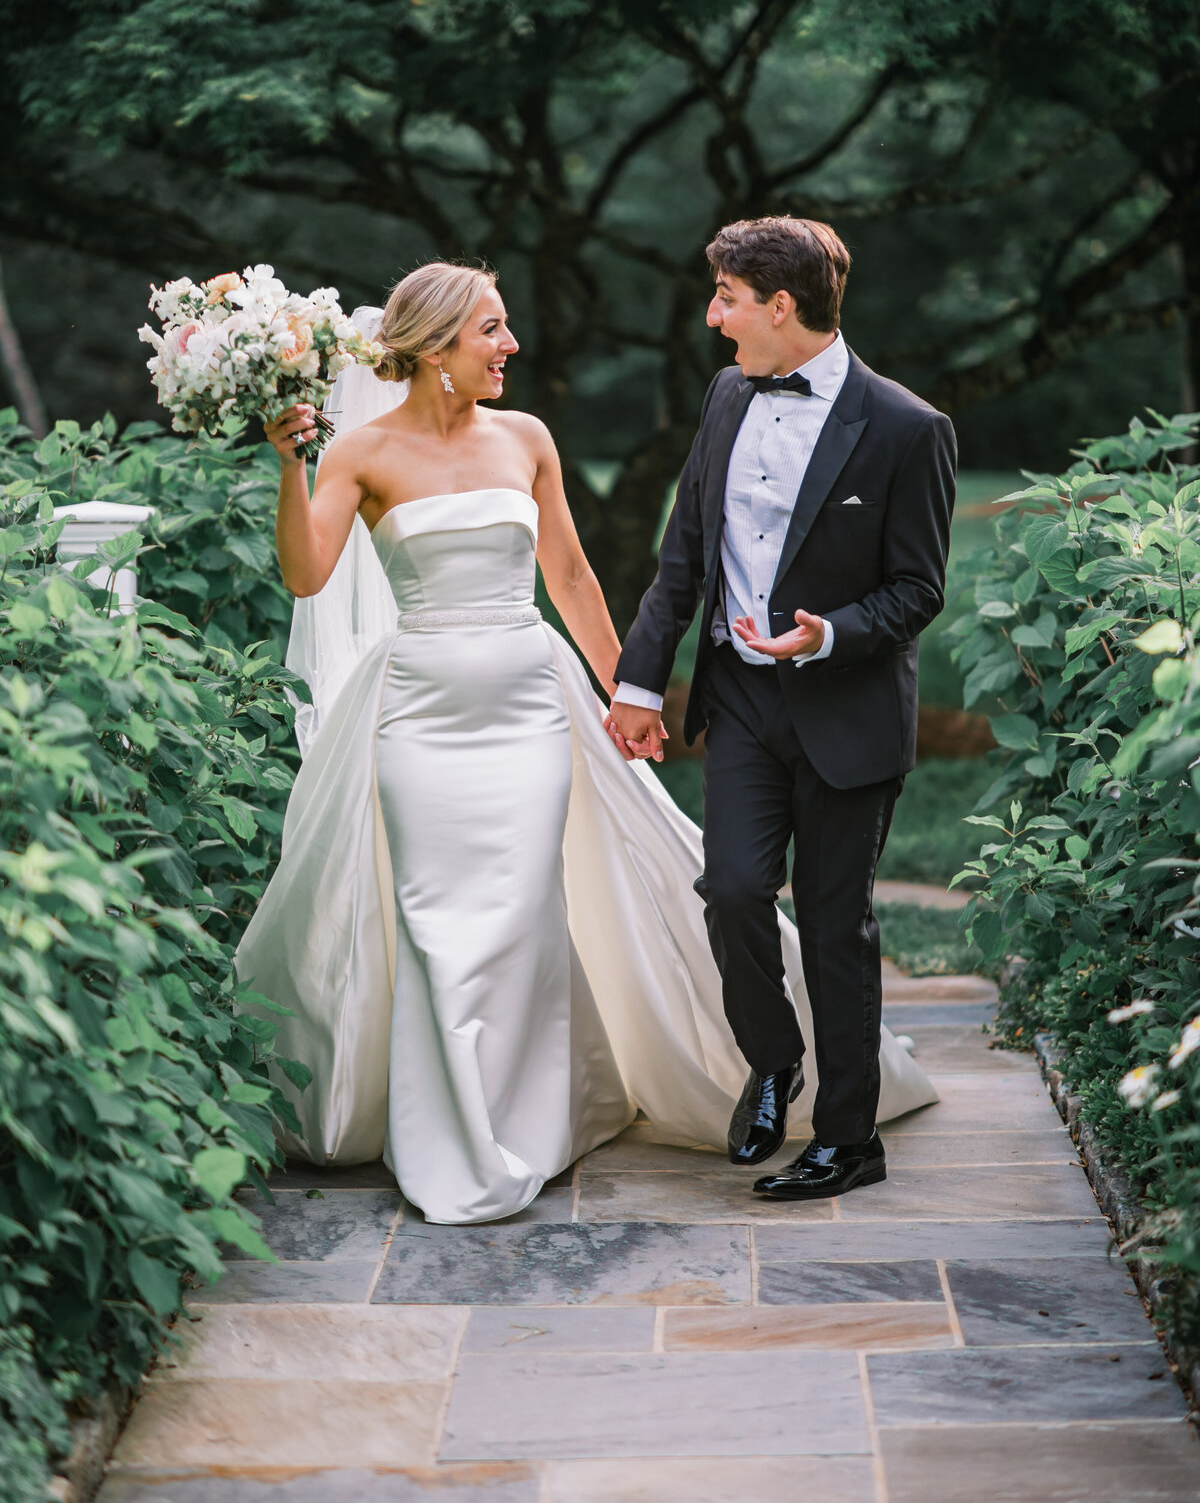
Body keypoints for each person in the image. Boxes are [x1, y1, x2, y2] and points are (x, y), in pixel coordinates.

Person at [236, 259, 937, 1225]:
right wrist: (289, 464)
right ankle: (455, 1135)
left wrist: (628, 693)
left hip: (528, 708)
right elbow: (309, 576)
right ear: (437, 346)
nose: (510, 345)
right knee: (438, 921)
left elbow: (569, 576)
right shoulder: (359, 453)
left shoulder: (526, 438)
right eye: (491, 329)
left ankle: (534, 1118)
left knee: (521, 915)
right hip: (417, 717)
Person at [608, 217, 956, 1201]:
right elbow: (686, 556)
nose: (714, 320)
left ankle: (851, 1139)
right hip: (745, 698)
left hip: (847, 708)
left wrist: (828, 632)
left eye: (726, 300)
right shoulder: (727, 394)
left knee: (837, 921)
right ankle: (773, 1061)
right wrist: (640, 681)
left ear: (781, 306)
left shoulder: (908, 428)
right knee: (731, 889)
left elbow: (918, 588)